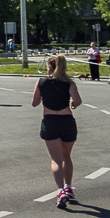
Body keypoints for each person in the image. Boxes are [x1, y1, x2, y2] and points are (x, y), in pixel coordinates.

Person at [32, 55, 83, 209]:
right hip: (67, 121)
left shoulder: (42, 82)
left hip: (50, 121)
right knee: (66, 156)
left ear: (49, 67)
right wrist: (72, 103)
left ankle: (60, 190)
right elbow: (78, 100)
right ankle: (68, 186)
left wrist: (45, 97)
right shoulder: (69, 83)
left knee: (56, 159)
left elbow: (34, 103)